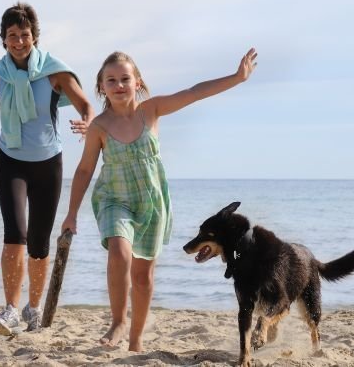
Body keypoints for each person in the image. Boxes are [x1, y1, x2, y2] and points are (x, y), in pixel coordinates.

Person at [60, 48, 258, 352]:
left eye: (125, 78)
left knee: (142, 277)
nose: (119, 85)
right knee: (119, 253)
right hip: (115, 199)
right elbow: (85, 169)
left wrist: (237, 78)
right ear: (101, 87)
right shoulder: (99, 127)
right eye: (111, 80)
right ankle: (118, 322)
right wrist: (72, 213)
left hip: (151, 203)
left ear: (137, 82)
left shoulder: (151, 110)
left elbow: (193, 93)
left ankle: (136, 340)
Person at [0, 2, 94, 335]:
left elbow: (84, 104)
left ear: (34, 37)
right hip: (10, 163)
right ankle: (10, 309)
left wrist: (88, 122)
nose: (19, 42)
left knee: (39, 242)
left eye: (25, 35)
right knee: (15, 235)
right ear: (3, 40)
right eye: (12, 36)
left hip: (48, 164)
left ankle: (33, 309)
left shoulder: (53, 71)